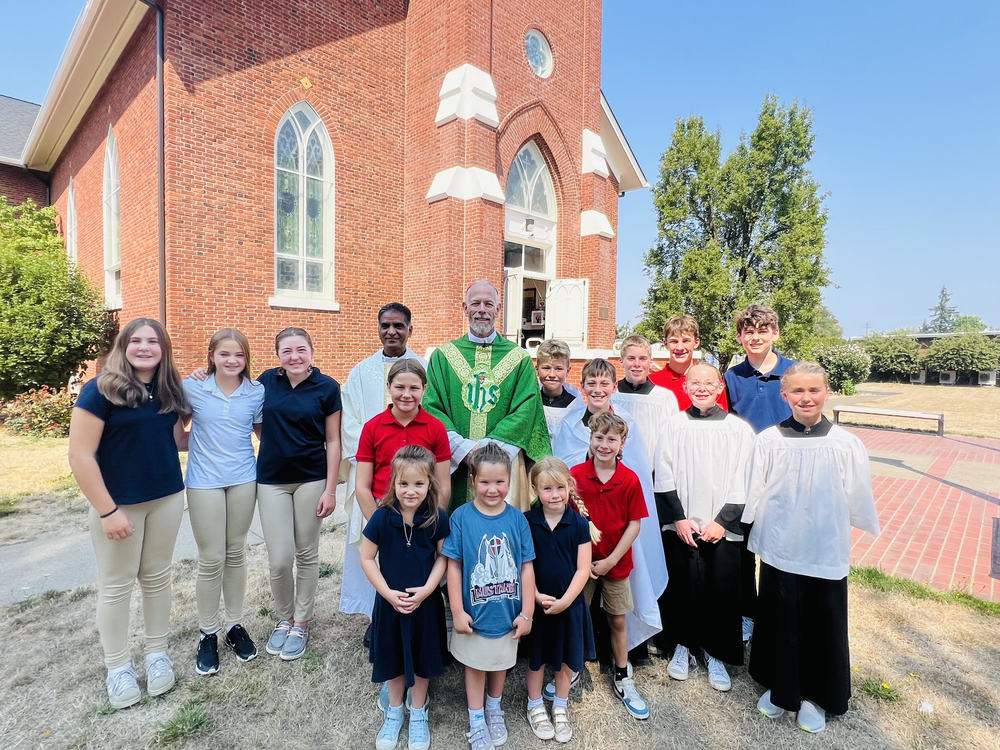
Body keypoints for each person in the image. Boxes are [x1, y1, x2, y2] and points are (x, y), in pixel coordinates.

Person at [743, 362, 880, 733]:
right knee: (779, 619)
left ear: (827, 392)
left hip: (823, 547)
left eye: (814, 390)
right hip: (779, 545)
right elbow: (755, 489)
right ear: (784, 394)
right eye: (798, 391)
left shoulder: (845, 443)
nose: (806, 398)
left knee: (822, 622)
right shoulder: (769, 440)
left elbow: (857, 494)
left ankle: (816, 696)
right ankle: (780, 687)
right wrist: (747, 522)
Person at [68, 318, 189, 709]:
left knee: (157, 579)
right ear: (123, 346)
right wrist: (107, 511)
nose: (144, 347)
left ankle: (157, 655)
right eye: (136, 340)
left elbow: (176, 440)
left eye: (153, 341)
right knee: (117, 585)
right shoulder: (100, 389)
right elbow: (80, 455)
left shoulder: (168, 390)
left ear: (163, 348)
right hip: (119, 505)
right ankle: (117, 667)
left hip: (166, 498)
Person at [551, 359, 666, 657]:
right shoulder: (570, 423)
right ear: (582, 386)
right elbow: (564, 466)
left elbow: (637, 469)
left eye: (604, 383)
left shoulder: (627, 424)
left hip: (618, 524)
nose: (598, 389)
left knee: (619, 603)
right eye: (591, 383)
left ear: (615, 386)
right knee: (580, 599)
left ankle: (621, 659)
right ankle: (577, 657)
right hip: (582, 525)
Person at [652, 363, 754, 692]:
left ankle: (716, 653)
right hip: (682, 525)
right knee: (682, 587)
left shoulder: (738, 430)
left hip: (720, 527)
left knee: (721, 591)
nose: (702, 388)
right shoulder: (674, 425)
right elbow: (663, 472)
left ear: (720, 387)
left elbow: (745, 477)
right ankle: (682, 645)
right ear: (685, 388)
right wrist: (677, 518)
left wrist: (723, 522)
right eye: (695, 382)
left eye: (709, 382)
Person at [351, 358, 450, 658]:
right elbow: (362, 486)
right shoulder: (373, 427)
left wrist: (432, 521)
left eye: (414, 388)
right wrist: (381, 524)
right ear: (389, 387)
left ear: (424, 389)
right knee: (389, 574)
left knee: (422, 575)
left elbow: (443, 484)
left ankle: (427, 638)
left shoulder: (435, 428)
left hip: (424, 520)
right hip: (385, 518)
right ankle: (384, 627)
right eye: (399, 387)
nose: (406, 394)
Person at [423, 280, 551, 512]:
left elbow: (526, 409)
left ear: (498, 309)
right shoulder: (442, 357)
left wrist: (488, 451)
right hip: (454, 464)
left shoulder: (519, 359)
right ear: (465, 308)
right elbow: (432, 408)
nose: (482, 309)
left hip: (504, 463)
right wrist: (463, 449)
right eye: (475, 303)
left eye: (488, 304)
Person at [181, 328, 265, 676]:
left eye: (239, 355)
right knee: (211, 557)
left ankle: (233, 625)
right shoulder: (193, 387)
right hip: (204, 482)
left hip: (243, 479)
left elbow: (263, 434)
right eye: (225, 354)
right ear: (212, 355)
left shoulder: (256, 391)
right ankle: (208, 633)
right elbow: (178, 431)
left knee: (235, 552)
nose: (232, 360)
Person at [256, 327, 342, 661]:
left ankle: (302, 622)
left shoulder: (327, 387)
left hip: (311, 479)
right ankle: (284, 618)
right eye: (287, 351)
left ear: (311, 351)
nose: (294, 356)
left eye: (301, 349)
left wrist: (330, 489)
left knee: (306, 552)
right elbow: (252, 417)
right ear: (278, 354)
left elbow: (333, 440)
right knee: (279, 558)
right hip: (271, 481)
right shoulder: (266, 382)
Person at [443, 443, 536, 750]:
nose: (492, 489)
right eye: (485, 482)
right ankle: (476, 719)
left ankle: (494, 708)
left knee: (500, 661)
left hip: (508, 612)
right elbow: (453, 567)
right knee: (475, 664)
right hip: (475, 613)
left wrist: (527, 613)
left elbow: (526, 567)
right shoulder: (461, 517)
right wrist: (457, 611)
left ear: (510, 481)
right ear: (472, 481)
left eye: (500, 482)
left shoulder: (517, 519)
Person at [340, 303, 425, 630]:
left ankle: (414, 612)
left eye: (398, 326)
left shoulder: (425, 368)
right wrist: (371, 457)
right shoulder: (361, 372)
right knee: (373, 547)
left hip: (415, 481)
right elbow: (350, 422)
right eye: (385, 326)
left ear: (409, 330)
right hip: (373, 475)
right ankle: (376, 617)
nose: (392, 332)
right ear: (378, 329)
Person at [360, 446, 450, 750]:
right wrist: (386, 593)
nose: (411, 491)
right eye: (404, 484)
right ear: (393, 484)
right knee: (393, 658)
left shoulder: (437, 517)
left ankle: (419, 712)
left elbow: (443, 557)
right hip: (390, 605)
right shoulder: (382, 517)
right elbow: (367, 558)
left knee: (423, 659)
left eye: (418, 484)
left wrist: (428, 590)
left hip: (425, 605)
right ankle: (395, 711)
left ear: (430, 484)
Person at [569, 412, 651, 720]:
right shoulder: (575, 475)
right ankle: (571, 668)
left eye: (611, 439)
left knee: (617, 619)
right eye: (598, 438)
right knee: (576, 617)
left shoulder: (629, 479)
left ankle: (622, 674)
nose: (604, 445)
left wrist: (611, 560)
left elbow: (634, 525)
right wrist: (585, 561)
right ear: (590, 439)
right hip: (582, 564)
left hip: (615, 562)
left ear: (622, 443)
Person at [723, 305, 796, 643]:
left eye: (762, 330)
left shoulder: (793, 373)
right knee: (744, 550)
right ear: (740, 337)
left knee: (781, 548)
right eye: (748, 331)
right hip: (745, 475)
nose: (755, 337)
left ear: (775, 334)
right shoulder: (732, 377)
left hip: (784, 475)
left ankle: (780, 613)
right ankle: (748, 614)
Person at [523, 457, 596, 744]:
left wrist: (565, 601)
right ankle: (534, 704)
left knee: (566, 660)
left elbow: (583, 569)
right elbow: (523, 564)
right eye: (547, 489)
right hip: (538, 605)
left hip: (570, 605)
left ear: (569, 487)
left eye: (560, 488)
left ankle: (560, 706)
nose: (554, 495)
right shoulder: (527, 522)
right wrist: (534, 595)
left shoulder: (578, 524)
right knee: (536, 658)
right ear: (535, 490)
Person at [611, 335, 678, 467]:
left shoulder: (664, 398)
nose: (637, 364)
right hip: (614, 471)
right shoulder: (611, 395)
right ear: (621, 361)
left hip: (652, 471)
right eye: (631, 358)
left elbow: (671, 441)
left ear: (650, 362)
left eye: (643, 359)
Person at [649, 315, 729, 411]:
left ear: (696, 342)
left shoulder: (712, 383)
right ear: (665, 343)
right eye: (674, 341)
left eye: (686, 341)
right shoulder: (651, 382)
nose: (680, 347)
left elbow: (721, 418)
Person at [535, 339, 581, 445]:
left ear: (567, 371)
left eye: (558, 369)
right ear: (537, 370)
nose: (552, 374)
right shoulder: (531, 399)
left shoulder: (575, 405)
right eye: (546, 368)